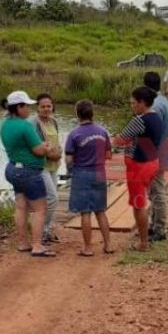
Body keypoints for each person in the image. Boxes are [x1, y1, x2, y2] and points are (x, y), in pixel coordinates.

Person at [0, 90, 57, 257]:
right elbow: (39, 150)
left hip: (12, 168)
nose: (29, 110)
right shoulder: (25, 125)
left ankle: (23, 243)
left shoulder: (5, 124)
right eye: (26, 106)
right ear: (18, 107)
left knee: (21, 206)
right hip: (29, 171)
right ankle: (37, 245)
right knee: (40, 208)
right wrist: (47, 147)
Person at [112, 86, 163, 252]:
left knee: (138, 203)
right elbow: (147, 142)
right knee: (144, 199)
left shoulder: (139, 120)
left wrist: (116, 140)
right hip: (152, 161)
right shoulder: (156, 117)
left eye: (133, 103)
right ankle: (146, 236)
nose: (132, 106)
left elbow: (119, 140)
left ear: (142, 103)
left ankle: (143, 243)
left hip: (138, 166)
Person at [65, 100, 113, 256]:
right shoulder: (103, 131)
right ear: (92, 113)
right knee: (100, 211)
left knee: (85, 212)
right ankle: (108, 245)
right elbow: (108, 155)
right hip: (99, 173)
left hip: (82, 174)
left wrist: (71, 170)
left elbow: (69, 159)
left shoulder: (74, 134)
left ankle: (88, 248)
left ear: (77, 114)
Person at [143, 72, 168, 242]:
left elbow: (151, 134)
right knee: (155, 190)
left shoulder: (154, 105)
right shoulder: (165, 101)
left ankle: (160, 228)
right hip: (164, 149)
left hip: (155, 153)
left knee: (157, 191)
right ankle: (155, 225)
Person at [29, 93, 62, 244]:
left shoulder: (54, 122)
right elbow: (35, 146)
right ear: (37, 108)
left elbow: (56, 141)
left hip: (54, 165)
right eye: (43, 106)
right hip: (40, 165)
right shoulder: (34, 123)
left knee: (49, 199)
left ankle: (46, 229)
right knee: (53, 197)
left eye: (49, 106)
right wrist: (51, 155)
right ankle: (42, 230)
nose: (46, 109)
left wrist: (59, 153)